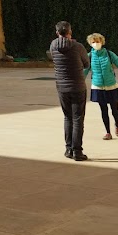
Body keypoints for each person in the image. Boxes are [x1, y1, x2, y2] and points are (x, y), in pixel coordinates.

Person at [49, 21, 90, 161]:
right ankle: (77, 151)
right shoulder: (78, 47)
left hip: (62, 87)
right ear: (70, 32)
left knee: (68, 118)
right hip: (78, 86)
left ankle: (68, 149)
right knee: (78, 119)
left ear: (57, 33)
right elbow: (86, 64)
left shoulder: (53, 45)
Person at [86, 33, 118, 140]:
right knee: (103, 110)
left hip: (111, 85)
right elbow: (84, 70)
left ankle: (117, 124)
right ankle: (108, 132)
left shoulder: (109, 54)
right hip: (97, 86)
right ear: (90, 43)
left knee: (115, 109)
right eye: (93, 42)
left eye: (98, 41)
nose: (96, 43)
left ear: (102, 42)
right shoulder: (89, 56)